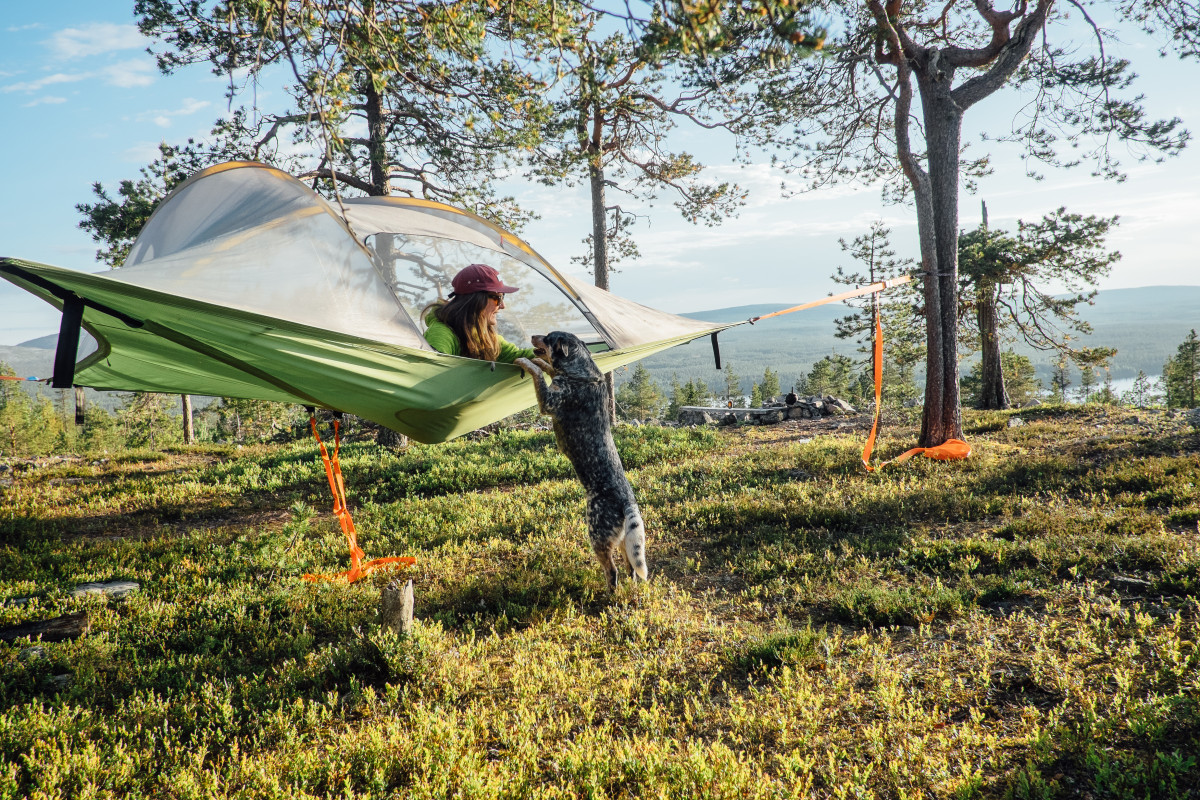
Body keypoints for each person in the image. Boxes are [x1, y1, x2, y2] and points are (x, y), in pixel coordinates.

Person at [422, 263, 536, 363]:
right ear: (476, 301)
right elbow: (432, 374)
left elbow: (520, 356)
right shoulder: (441, 334)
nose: (502, 305)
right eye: (498, 298)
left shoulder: (484, 336)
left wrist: (551, 348)